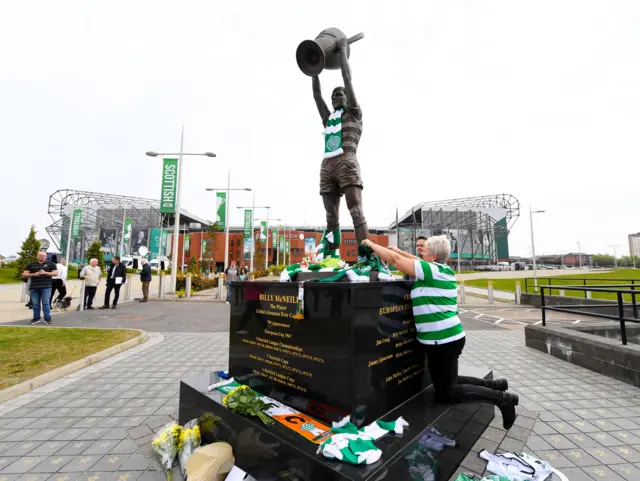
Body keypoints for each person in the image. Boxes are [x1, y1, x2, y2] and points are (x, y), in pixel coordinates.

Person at [362, 235, 519, 429]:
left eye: (425, 249)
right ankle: (496, 385)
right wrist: (395, 249)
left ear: (434, 256)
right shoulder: (438, 269)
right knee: (448, 380)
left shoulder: (432, 271)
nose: (421, 251)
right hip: (447, 339)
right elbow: (409, 258)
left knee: (446, 393)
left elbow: (396, 262)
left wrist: (371, 244)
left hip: (443, 341)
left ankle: (502, 399)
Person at [312, 37, 368, 246]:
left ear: (347, 97)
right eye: (333, 95)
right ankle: (331, 255)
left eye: (339, 94)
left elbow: (347, 79)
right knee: (330, 217)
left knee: (355, 210)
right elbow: (317, 96)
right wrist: (314, 68)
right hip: (327, 165)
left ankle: (366, 254)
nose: (335, 97)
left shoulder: (354, 113)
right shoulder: (329, 119)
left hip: (347, 160)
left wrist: (343, 51)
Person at [22, 251, 58, 325]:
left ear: (46, 256)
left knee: (46, 303)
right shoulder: (31, 264)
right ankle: (36, 318)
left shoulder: (51, 264)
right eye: (40, 255)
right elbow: (24, 274)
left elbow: (56, 273)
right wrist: (35, 274)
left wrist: (45, 273)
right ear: (37, 256)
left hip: (46, 287)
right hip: (34, 287)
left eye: (43, 256)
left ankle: (47, 318)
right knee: (35, 304)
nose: (42, 257)